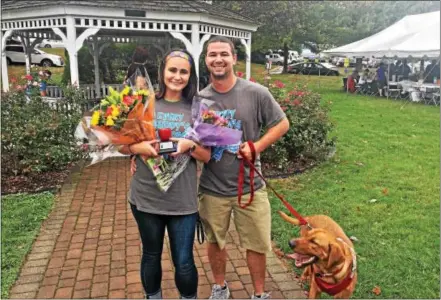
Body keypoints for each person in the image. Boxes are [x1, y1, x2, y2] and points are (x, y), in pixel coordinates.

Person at [198, 36, 290, 299]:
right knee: (215, 241)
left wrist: (256, 147)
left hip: (251, 186)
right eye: (212, 54)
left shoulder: (256, 92)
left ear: (234, 59)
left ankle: (259, 294)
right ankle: (220, 287)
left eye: (224, 54)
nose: (218, 59)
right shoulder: (200, 100)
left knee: (257, 244)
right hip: (213, 187)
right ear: (206, 60)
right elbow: (194, 143)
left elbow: (282, 124)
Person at [121, 48, 211, 299]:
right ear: (162, 72)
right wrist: (137, 148)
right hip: (146, 196)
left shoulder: (198, 108)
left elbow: (207, 156)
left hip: (182, 201)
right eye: (173, 70)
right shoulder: (144, 102)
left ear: (191, 76)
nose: (177, 76)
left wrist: (189, 145)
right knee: (150, 254)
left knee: (183, 260)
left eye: (184, 72)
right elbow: (120, 143)